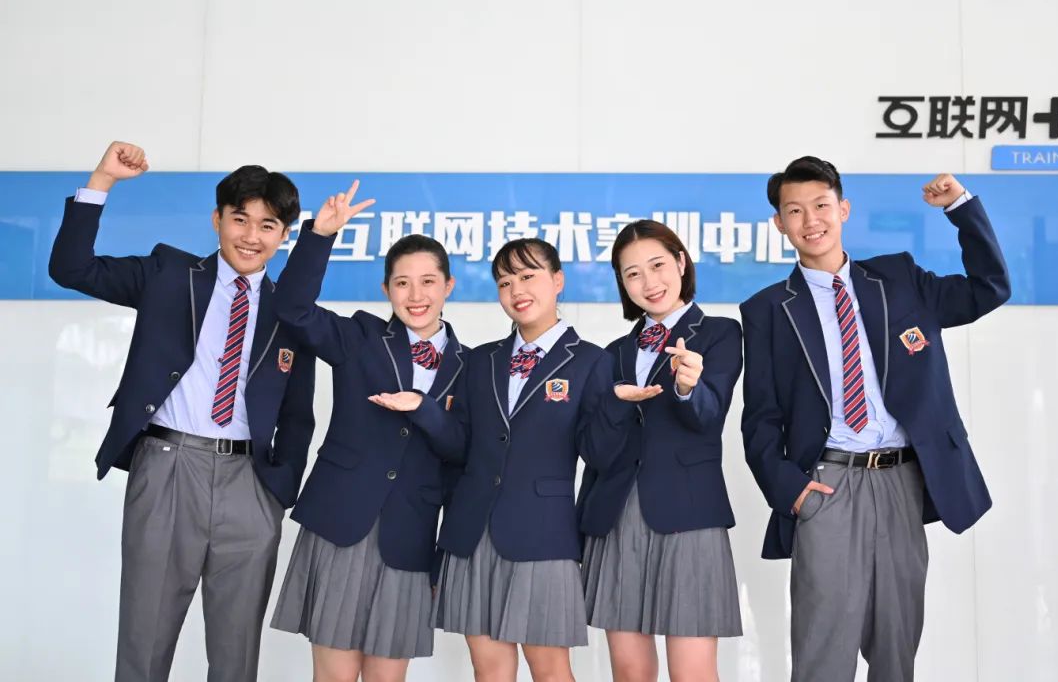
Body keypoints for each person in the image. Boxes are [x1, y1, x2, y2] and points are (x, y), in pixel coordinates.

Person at [48, 140, 316, 682]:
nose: (251, 235)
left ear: (284, 235)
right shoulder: (169, 275)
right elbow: (72, 268)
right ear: (217, 220)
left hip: (250, 483)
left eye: (267, 225)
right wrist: (102, 180)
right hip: (168, 467)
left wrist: (277, 489)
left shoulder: (291, 312)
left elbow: (298, 414)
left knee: (236, 655)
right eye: (240, 219)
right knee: (144, 642)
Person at [740, 156, 1010, 682]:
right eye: (795, 211)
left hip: (902, 478)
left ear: (843, 209)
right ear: (779, 223)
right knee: (823, 650)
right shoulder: (768, 308)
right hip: (827, 484)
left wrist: (960, 207)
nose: (811, 220)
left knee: (896, 645)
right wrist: (792, 491)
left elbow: (989, 288)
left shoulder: (898, 278)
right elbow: (761, 417)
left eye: (821, 205)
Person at [269, 182, 468, 682]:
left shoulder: (473, 366)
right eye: (402, 283)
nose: (416, 296)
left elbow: (461, 449)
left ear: (449, 286)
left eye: (428, 281)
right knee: (333, 676)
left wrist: (424, 409)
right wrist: (319, 236)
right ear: (386, 290)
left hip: (410, 537)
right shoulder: (360, 336)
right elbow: (291, 309)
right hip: (340, 522)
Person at [431, 238, 634, 682]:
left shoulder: (591, 361)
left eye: (528, 276)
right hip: (473, 533)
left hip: (544, 535)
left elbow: (598, 454)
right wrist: (425, 411)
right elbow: (458, 449)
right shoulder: (479, 360)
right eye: (505, 282)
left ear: (557, 280)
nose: (516, 290)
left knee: (551, 672)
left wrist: (617, 406)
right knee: (489, 672)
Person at [578, 219, 743, 682]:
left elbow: (709, 416)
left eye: (657, 265)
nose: (648, 282)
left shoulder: (720, 333)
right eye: (633, 273)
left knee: (692, 674)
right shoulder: (612, 353)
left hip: (689, 514)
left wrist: (688, 387)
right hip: (616, 516)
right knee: (630, 673)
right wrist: (614, 403)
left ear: (681, 263)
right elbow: (596, 452)